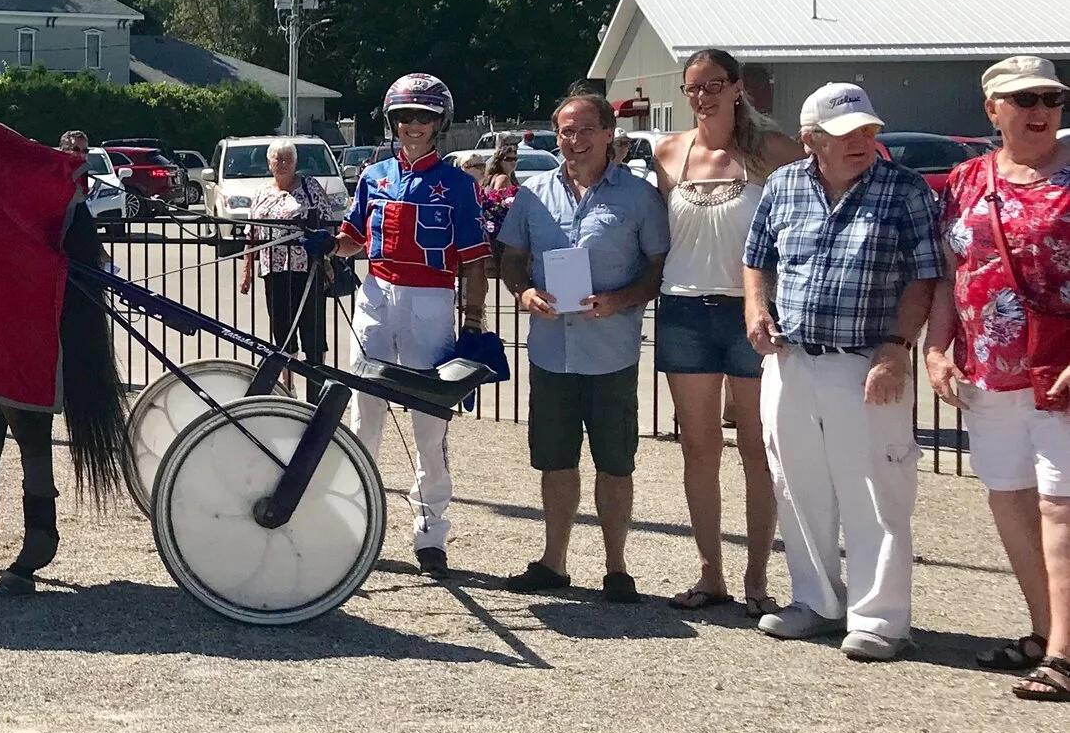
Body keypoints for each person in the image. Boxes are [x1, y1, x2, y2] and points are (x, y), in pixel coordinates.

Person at [743, 81, 943, 661]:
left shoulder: (904, 191)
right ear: (811, 141)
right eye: (844, 134)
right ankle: (817, 601)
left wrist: (896, 348)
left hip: (867, 361)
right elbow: (757, 258)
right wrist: (756, 308)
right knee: (798, 484)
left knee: (877, 491)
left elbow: (923, 275)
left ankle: (880, 619)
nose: (861, 141)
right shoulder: (783, 186)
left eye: (867, 131)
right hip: (792, 358)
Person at [924, 57, 1070, 698]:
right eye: (1023, 99)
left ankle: (1064, 654)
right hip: (987, 370)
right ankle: (1046, 633)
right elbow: (950, 274)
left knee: (1059, 506)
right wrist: (936, 348)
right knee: (1009, 498)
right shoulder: (963, 180)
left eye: (1050, 98)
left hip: (1058, 371)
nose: (1039, 111)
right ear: (993, 109)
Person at [497, 90, 670, 601]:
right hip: (551, 351)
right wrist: (524, 291)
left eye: (585, 130)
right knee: (555, 460)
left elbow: (658, 268)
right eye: (566, 132)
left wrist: (620, 300)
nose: (575, 141)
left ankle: (616, 569)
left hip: (611, 352)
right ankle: (554, 562)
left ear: (609, 133)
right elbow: (511, 257)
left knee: (615, 462)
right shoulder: (532, 194)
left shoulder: (638, 198)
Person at [651, 47, 802, 614]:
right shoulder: (668, 153)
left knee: (757, 450)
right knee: (698, 449)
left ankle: (758, 578)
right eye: (694, 87)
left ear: (738, 87)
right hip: (685, 310)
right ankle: (710, 573)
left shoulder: (776, 153)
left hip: (752, 314)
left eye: (715, 84)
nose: (704, 95)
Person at [328, 72, 490, 578]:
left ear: (439, 122)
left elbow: (475, 261)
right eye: (404, 117)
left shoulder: (460, 185)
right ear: (392, 122)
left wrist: (475, 320)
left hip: (432, 299)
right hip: (375, 296)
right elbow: (354, 238)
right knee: (364, 412)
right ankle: (358, 522)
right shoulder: (374, 176)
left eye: (423, 117)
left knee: (429, 422)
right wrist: (328, 245)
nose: (413, 126)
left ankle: (430, 532)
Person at [238, 141, 342, 396]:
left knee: (312, 331)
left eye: (288, 159)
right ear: (269, 163)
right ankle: (288, 388)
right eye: (277, 159)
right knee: (282, 332)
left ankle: (316, 390)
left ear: (296, 163)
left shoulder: (310, 188)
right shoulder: (262, 192)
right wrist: (247, 270)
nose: (282, 164)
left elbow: (328, 227)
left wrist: (328, 259)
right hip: (273, 269)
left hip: (308, 269)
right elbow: (251, 234)